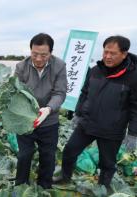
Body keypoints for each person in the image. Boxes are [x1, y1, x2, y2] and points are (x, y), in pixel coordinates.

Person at [54, 35, 137, 189]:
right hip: (87, 124)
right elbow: (85, 93)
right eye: (105, 52)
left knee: (107, 163)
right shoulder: (95, 70)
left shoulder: (133, 77)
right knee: (69, 151)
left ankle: (102, 187)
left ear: (124, 54)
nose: (107, 56)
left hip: (112, 130)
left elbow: (135, 107)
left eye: (113, 53)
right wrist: (78, 113)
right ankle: (65, 177)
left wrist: (133, 133)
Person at [14, 33, 67, 189]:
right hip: (25, 121)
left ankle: (44, 187)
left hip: (49, 120)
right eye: (34, 54)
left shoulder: (59, 66)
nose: (38, 59)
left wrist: (49, 109)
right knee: (24, 155)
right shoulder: (21, 67)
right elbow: (15, 92)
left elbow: (60, 92)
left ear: (50, 53)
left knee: (48, 156)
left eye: (43, 55)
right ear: (30, 50)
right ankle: (21, 186)